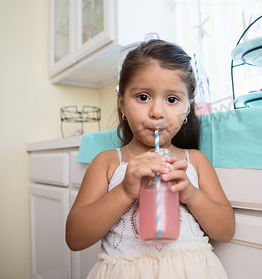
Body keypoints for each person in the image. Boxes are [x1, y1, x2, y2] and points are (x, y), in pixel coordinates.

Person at [66, 39, 235, 278]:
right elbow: (75, 237)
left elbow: (226, 230)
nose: (157, 112)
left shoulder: (194, 161)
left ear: (187, 108)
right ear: (122, 103)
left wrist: (190, 194)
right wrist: (124, 190)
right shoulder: (107, 163)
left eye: (172, 99)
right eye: (143, 97)